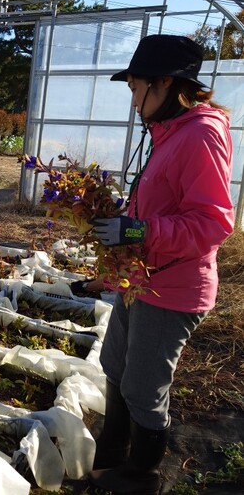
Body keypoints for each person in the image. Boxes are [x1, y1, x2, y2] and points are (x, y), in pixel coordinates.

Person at [88, 35, 234, 494]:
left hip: (173, 290)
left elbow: (211, 223)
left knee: (144, 387)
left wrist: (137, 232)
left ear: (166, 83)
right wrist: (122, 223)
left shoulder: (200, 135)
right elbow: (161, 206)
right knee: (114, 365)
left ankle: (139, 477)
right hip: (141, 281)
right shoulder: (166, 133)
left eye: (136, 89)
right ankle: (110, 455)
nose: (133, 102)